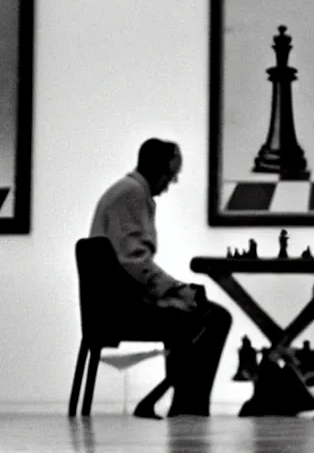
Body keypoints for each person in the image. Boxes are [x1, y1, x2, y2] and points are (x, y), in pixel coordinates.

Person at [89, 137, 232, 418]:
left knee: (201, 315)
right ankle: (189, 408)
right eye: (171, 175)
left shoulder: (127, 192)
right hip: (124, 306)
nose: (172, 182)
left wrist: (176, 290)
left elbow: (132, 262)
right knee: (212, 318)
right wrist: (178, 289)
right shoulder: (131, 194)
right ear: (158, 170)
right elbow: (134, 262)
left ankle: (183, 403)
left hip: (115, 300)